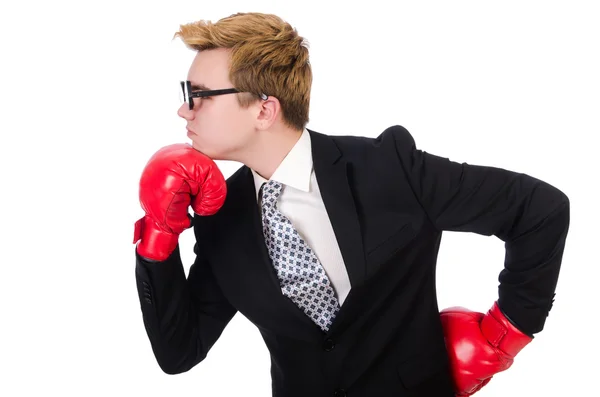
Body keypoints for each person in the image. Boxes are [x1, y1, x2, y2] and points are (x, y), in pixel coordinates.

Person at [132, 12, 570, 397]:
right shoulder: (220, 221)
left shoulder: (389, 166)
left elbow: (539, 210)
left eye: (200, 94)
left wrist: (505, 333)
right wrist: (157, 238)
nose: (184, 110)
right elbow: (179, 351)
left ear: (264, 110)